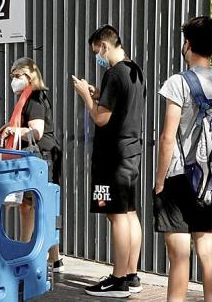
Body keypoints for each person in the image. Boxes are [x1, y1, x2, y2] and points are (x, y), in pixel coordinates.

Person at [154, 16, 212, 302]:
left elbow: (167, 137)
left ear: (188, 44)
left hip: (180, 177)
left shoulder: (178, 82)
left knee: (179, 256)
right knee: (207, 251)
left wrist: (160, 180)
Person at [72, 25, 145, 298]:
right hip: (131, 151)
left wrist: (84, 97)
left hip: (112, 156)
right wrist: (98, 95)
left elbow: (101, 118)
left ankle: (118, 279)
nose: (97, 57)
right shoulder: (134, 70)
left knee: (116, 216)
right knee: (129, 213)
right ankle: (132, 274)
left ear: (104, 45)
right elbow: (122, 106)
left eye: (96, 52)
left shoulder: (113, 74)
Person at [0, 57, 64, 272]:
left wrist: (14, 131)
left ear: (29, 77)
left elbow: (36, 131)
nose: (13, 81)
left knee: (32, 205)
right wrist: (10, 126)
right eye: (12, 77)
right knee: (38, 206)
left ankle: (26, 252)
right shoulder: (27, 98)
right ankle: (54, 258)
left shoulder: (34, 98)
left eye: (17, 76)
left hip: (42, 156)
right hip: (39, 156)